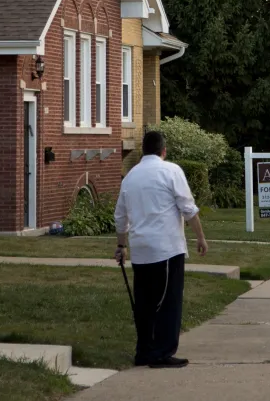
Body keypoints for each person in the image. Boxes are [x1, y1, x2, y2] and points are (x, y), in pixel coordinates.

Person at [114, 131, 208, 368]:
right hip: (166, 248)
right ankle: (162, 352)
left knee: (145, 302)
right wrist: (201, 238)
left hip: (140, 249)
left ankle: (144, 350)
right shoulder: (171, 171)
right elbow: (188, 208)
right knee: (168, 301)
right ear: (163, 151)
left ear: (143, 150)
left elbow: (120, 216)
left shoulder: (130, 177)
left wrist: (121, 246)